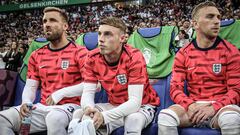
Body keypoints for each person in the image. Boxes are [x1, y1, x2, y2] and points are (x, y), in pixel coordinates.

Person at [0, 7, 87, 135]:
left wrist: (61, 93)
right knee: (2, 119)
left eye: (52, 20)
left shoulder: (80, 52)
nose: (47, 25)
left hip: (71, 107)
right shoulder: (36, 55)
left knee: (54, 119)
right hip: (43, 108)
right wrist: (26, 102)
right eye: (45, 21)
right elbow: (31, 86)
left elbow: (94, 85)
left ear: (65, 26)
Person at [158, 1, 240, 135]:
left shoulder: (231, 52)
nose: (217, 21)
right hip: (193, 106)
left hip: (221, 107)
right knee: (165, 117)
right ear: (195, 24)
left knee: (231, 119)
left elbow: (236, 90)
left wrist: (213, 107)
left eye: (218, 17)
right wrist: (190, 105)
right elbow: (175, 88)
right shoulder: (183, 54)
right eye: (210, 16)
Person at [71, 17, 160, 135]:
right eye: (100, 34)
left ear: (122, 38)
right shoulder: (92, 57)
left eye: (108, 34)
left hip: (143, 106)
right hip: (114, 104)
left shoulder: (134, 57)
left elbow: (135, 102)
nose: (101, 39)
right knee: (83, 116)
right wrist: (89, 109)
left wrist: (104, 116)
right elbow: (88, 92)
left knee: (133, 120)